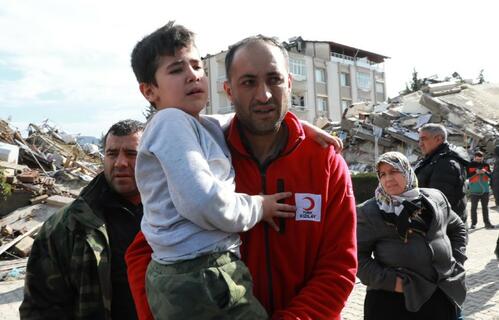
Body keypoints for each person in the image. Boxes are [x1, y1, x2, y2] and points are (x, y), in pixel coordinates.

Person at [126, 34, 357, 320]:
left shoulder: (325, 163)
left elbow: (338, 267)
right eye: (248, 82)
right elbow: (143, 251)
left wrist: (301, 126)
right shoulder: (200, 155)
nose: (264, 95)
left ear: (289, 82)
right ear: (228, 91)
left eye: (274, 79)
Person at [20, 120, 145, 319]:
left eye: (132, 154)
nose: (121, 162)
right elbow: (40, 306)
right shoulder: (67, 227)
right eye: (112, 154)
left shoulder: (178, 218)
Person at [357, 151, 467, 320]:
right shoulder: (370, 211)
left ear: (407, 171)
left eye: (394, 171)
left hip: (442, 292)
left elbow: (457, 227)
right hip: (394, 301)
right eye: (382, 174)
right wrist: (393, 282)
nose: (388, 179)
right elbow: (356, 255)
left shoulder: (434, 198)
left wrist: (456, 261)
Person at [415, 123, 470, 224]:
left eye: (424, 139)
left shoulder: (446, 164)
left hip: (444, 230)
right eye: (419, 140)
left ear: (438, 139)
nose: (420, 144)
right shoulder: (433, 159)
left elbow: (438, 204)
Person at [467, 150, 494, 229]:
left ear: (483, 158)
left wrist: (485, 172)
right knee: (474, 208)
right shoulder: (470, 165)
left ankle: (487, 223)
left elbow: (491, 176)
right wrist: (476, 172)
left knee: (485, 207)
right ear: (474, 157)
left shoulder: (486, 165)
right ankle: (473, 223)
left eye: (480, 159)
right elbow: (467, 176)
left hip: (485, 190)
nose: (479, 160)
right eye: (477, 159)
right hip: (474, 190)